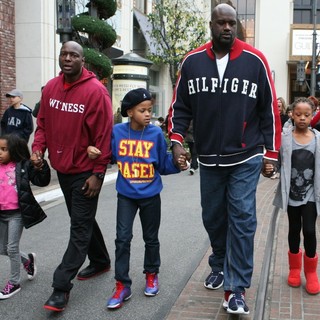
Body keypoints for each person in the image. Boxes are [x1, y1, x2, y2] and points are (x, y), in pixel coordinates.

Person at [167, 3, 281, 315]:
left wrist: (271, 154)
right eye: (221, 23)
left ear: (237, 25)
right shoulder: (192, 62)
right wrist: (177, 141)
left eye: (232, 23)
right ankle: (219, 261)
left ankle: (236, 288)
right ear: (212, 25)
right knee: (214, 217)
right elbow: (180, 107)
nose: (227, 28)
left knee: (243, 219)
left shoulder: (255, 60)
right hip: (209, 160)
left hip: (246, 155)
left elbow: (269, 109)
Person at [31, 41, 113, 312]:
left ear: (82, 60)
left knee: (78, 228)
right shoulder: (52, 88)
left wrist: (98, 174)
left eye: (73, 55)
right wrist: (38, 149)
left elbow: (103, 137)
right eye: (63, 54)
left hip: (85, 173)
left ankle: (60, 287)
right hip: (62, 169)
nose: (67, 58)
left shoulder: (96, 93)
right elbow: (42, 123)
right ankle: (100, 260)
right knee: (82, 219)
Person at [87, 88, 187, 309]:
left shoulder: (155, 135)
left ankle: (151, 274)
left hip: (151, 195)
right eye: (143, 110)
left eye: (150, 110)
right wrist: (94, 152)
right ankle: (122, 285)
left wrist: (180, 164)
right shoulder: (117, 132)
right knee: (122, 239)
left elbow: (162, 164)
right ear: (129, 112)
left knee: (151, 238)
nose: (148, 114)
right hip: (126, 195)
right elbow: (110, 156)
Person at [272, 97, 320, 295]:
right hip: (291, 194)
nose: (302, 118)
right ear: (291, 114)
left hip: (311, 194)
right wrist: (269, 166)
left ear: (313, 115)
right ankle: (294, 269)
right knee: (294, 229)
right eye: (298, 114)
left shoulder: (318, 139)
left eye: (306, 115)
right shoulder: (284, 138)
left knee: (309, 231)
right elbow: (275, 160)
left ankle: (311, 272)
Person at [0, 134, 50, 299]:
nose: (0, 153)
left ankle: (14, 283)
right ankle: (27, 260)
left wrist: (40, 166)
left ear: (13, 150)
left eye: (3, 149)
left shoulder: (23, 165)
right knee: (2, 249)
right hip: (2, 214)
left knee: (12, 248)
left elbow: (42, 181)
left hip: (16, 214)